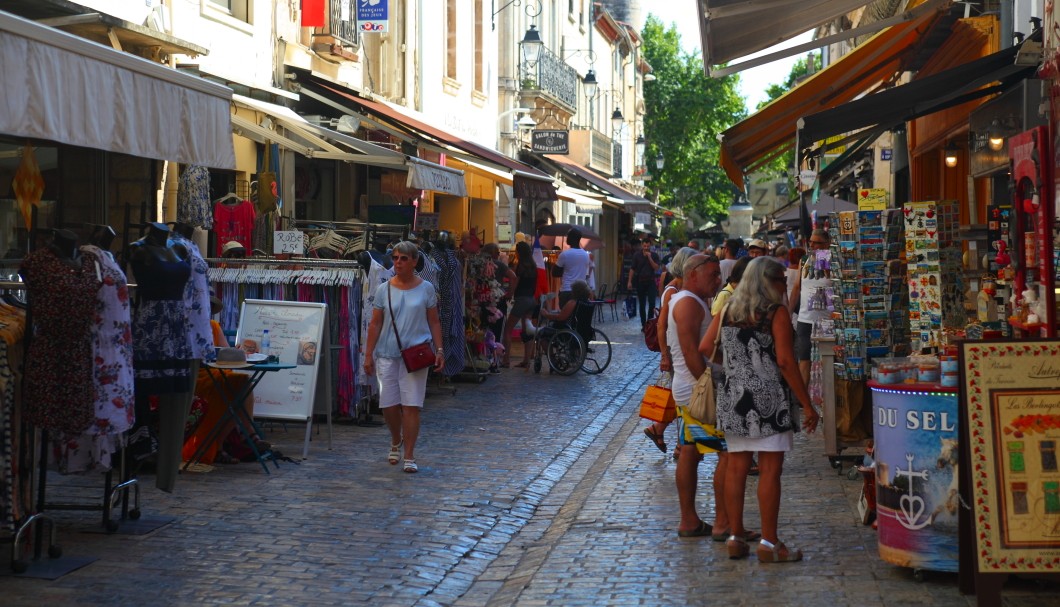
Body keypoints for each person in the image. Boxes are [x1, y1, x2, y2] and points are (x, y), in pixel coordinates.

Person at [701, 257, 820, 562]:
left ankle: (735, 536)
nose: (786, 285)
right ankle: (769, 543)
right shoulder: (774, 313)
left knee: (737, 467)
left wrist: (734, 369)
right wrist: (807, 404)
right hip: (770, 401)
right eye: (782, 279)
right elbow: (785, 361)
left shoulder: (728, 310)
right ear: (768, 282)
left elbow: (704, 348)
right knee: (770, 471)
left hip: (735, 398)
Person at [363, 241, 445, 474]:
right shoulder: (384, 289)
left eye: (403, 258)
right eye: (396, 258)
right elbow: (375, 324)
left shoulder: (426, 288)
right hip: (387, 354)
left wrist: (439, 350)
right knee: (388, 405)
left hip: (416, 354)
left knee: (411, 406)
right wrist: (368, 354)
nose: (398, 262)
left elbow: (434, 321)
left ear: (415, 261)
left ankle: (409, 453)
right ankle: (395, 439)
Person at [668, 254, 728, 538]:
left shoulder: (690, 300)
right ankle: (723, 522)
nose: (718, 280)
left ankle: (689, 521)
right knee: (727, 453)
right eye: (713, 274)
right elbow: (692, 351)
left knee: (690, 452)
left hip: (689, 388)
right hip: (696, 390)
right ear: (693, 274)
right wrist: (710, 388)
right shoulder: (689, 302)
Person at [643, 247, 697, 457]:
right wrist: (665, 355)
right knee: (685, 398)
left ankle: (661, 432)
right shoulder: (672, 290)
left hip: (680, 350)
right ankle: (678, 444)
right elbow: (661, 325)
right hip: (675, 352)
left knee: (681, 397)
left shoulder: (681, 289)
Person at [789, 229, 831, 386]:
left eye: (816, 242)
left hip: (826, 318)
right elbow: (796, 288)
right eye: (810, 242)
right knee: (804, 358)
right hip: (805, 318)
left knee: (826, 358)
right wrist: (788, 313)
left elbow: (834, 282)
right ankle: (803, 399)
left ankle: (825, 396)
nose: (812, 245)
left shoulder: (833, 260)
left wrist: (825, 264)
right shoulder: (804, 260)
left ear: (826, 244)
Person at [501, 241, 537, 368]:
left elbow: (515, 282)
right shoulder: (533, 265)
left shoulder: (520, 266)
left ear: (519, 252)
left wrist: (509, 294)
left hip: (522, 300)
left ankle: (505, 360)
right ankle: (526, 359)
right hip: (531, 300)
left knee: (508, 330)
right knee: (527, 330)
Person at [553, 228, 592, 307]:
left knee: (565, 317)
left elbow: (554, 273)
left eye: (568, 236)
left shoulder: (564, 255)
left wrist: (564, 269)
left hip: (567, 290)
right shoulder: (586, 255)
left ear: (572, 238)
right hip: (581, 291)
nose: (567, 238)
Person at [627, 238, 660, 328]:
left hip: (651, 282)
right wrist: (629, 281)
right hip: (640, 281)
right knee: (642, 304)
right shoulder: (637, 255)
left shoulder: (654, 255)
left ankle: (649, 323)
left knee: (652, 303)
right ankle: (643, 325)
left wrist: (649, 257)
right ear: (642, 245)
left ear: (650, 246)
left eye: (648, 246)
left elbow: (656, 268)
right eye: (644, 246)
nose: (646, 248)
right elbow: (632, 268)